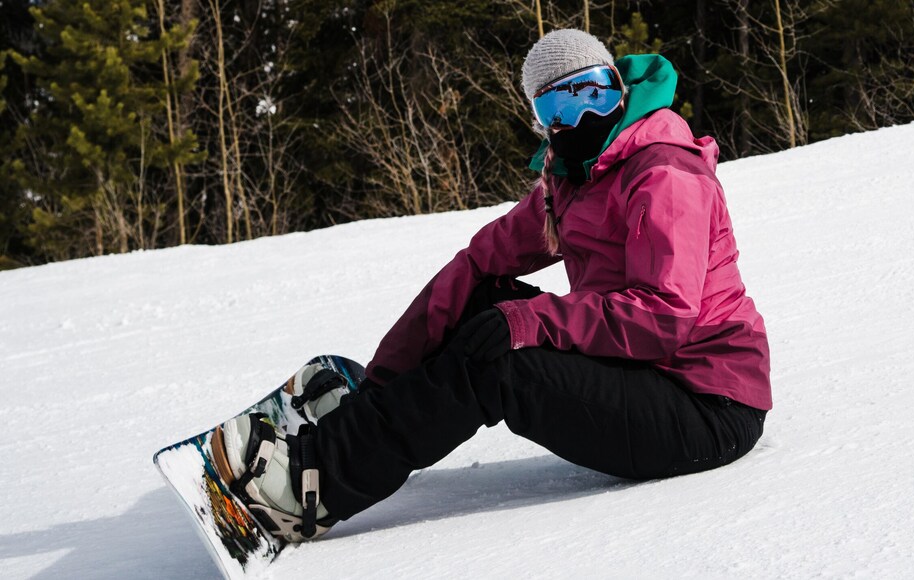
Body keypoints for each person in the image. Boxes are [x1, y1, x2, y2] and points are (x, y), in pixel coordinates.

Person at [212, 29, 771, 542]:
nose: (580, 117)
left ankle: (313, 483)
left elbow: (663, 315)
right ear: (542, 119)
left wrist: (532, 321)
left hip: (706, 403)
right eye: (558, 106)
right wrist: (384, 377)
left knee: (500, 360)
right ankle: (366, 415)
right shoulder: (572, 178)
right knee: (482, 299)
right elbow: (479, 262)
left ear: (617, 89)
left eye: (593, 94)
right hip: (640, 370)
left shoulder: (664, 172)